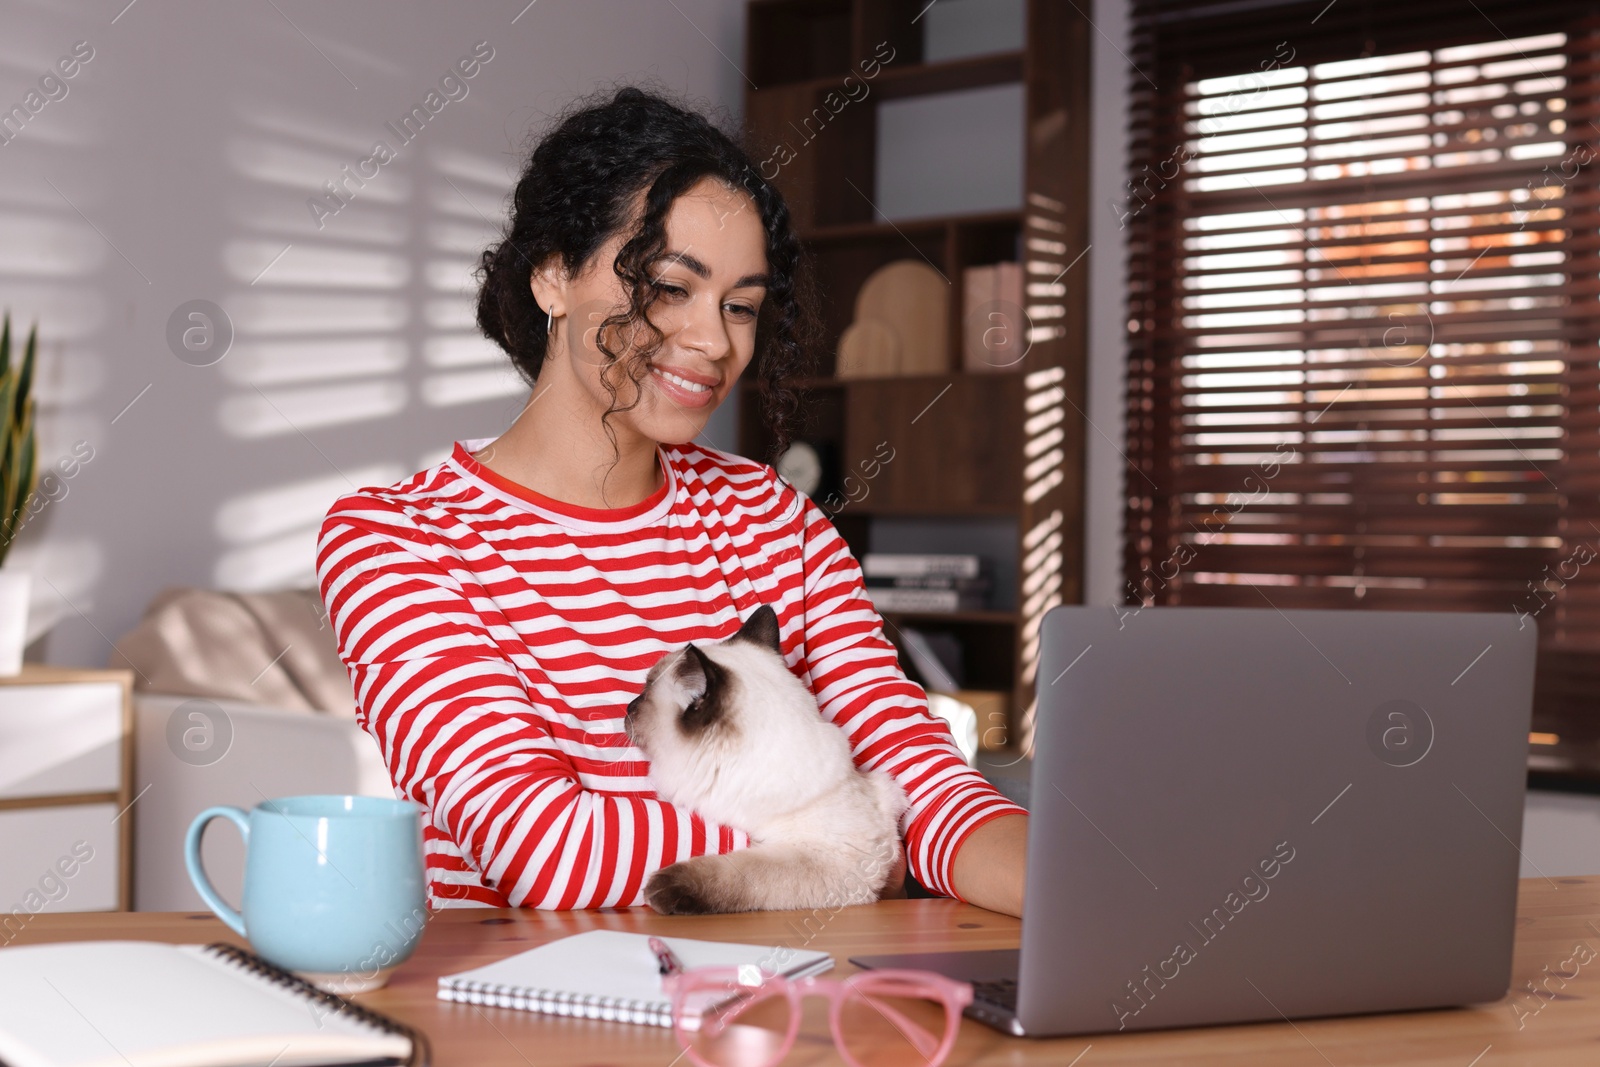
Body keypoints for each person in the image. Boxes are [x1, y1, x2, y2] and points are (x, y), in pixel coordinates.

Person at [316, 85, 1028, 915]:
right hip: (531, 1015)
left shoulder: (778, 523)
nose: (715, 340)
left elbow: (920, 776)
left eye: (741, 307)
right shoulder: (397, 541)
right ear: (553, 274)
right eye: (667, 287)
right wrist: (851, 839)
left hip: (780, 1012)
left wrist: (1086, 893)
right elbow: (543, 852)